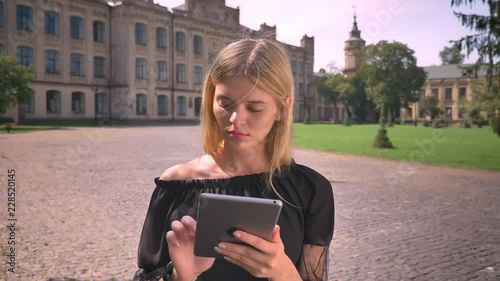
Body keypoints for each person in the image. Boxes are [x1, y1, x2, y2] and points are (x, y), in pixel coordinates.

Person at [133, 38, 334, 281]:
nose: (236, 119)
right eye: (225, 103)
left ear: (282, 108)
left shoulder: (310, 190)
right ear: (210, 99)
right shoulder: (174, 184)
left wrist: (283, 272)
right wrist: (179, 275)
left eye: (254, 108)